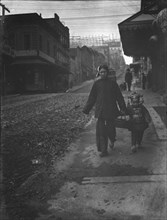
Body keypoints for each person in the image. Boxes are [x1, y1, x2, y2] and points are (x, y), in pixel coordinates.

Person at [83, 64, 127, 157]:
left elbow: (119, 97)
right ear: (99, 73)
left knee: (111, 129)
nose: (103, 74)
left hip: (111, 110)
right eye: (101, 72)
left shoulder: (113, 84)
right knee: (101, 131)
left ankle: (112, 139)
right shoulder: (97, 84)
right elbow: (92, 97)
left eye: (104, 72)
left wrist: (123, 108)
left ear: (107, 73)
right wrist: (86, 109)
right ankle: (104, 150)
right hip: (101, 111)